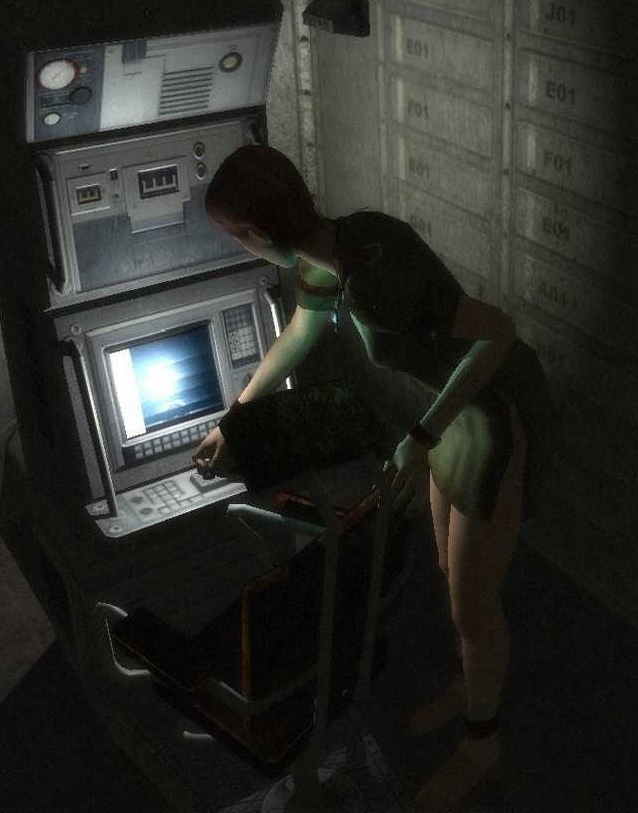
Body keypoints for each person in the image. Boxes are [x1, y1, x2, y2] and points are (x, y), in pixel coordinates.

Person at [192, 145, 557, 810]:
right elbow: (301, 331)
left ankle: (483, 743)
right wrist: (235, 419)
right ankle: (472, 687)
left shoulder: (374, 277)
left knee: (473, 603)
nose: (241, 248)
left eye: (237, 237)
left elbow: (497, 333)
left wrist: (420, 438)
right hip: (448, 418)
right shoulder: (334, 249)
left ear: (258, 232)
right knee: (451, 576)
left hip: (491, 417)